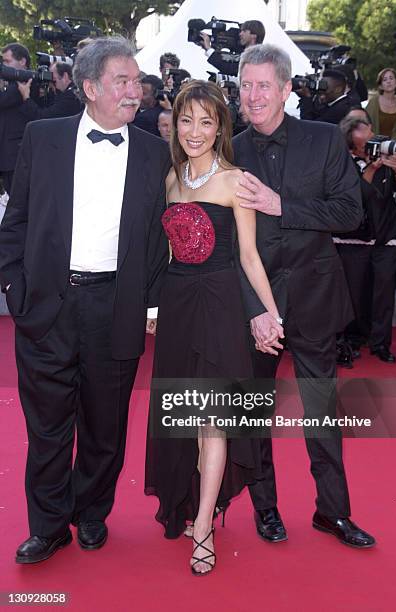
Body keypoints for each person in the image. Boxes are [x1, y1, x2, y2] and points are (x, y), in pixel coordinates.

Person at [0, 36, 170, 564]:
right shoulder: (42, 137)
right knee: (47, 424)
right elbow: (18, 221)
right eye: (122, 80)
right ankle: (48, 525)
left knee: (105, 425)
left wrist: (151, 303)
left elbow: (156, 239)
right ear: (90, 87)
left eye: (137, 79)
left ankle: (91, 511)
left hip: (115, 307)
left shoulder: (152, 151)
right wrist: (14, 289)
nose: (134, 89)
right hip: (47, 305)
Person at [233, 43, 375, 548]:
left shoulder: (323, 140)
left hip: (315, 296)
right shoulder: (229, 147)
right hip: (256, 303)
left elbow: (349, 214)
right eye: (246, 85)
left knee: (322, 411)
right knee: (252, 411)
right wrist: (255, 311)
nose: (252, 96)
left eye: (263, 85)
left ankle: (333, 512)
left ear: (287, 89)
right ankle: (265, 509)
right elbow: (228, 244)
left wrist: (281, 205)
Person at [145, 79, 284, 575]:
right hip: (179, 305)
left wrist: (270, 313)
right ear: (174, 124)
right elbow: (166, 252)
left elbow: (249, 257)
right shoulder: (171, 179)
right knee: (188, 417)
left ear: (220, 126)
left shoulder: (235, 180)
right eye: (186, 120)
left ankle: (203, 523)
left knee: (214, 419)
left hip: (221, 305)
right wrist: (154, 307)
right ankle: (201, 506)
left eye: (206, 121)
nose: (195, 131)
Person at [339, 117, 396, 363]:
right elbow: (356, 200)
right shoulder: (344, 166)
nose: (376, 145)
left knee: (383, 294)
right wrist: (371, 169)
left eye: (373, 134)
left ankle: (380, 344)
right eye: (367, 144)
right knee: (356, 293)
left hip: (388, 237)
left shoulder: (387, 160)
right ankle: (355, 338)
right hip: (355, 239)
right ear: (353, 149)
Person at [0, 43, 34, 194]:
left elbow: (3, 100)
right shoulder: (12, 84)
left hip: (16, 157)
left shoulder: (27, 81)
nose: (4, 66)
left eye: (7, 62)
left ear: (22, 62)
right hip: (9, 157)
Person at [16, 62, 83, 120]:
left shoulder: (72, 96)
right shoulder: (67, 92)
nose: (51, 84)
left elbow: (42, 117)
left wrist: (26, 96)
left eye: (54, 81)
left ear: (65, 76)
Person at [200, 20, 265, 77]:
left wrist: (209, 49)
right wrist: (207, 48)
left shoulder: (257, 57)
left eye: (244, 31)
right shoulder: (245, 53)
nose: (240, 34)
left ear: (254, 35)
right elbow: (226, 61)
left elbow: (230, 68)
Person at [366, 68, 396, 139]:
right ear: (380, 86)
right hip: (374, 145)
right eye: (385, 80)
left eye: (391, 78)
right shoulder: (374, 102)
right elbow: (365, 123)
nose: (388, 81)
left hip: (395, 147)